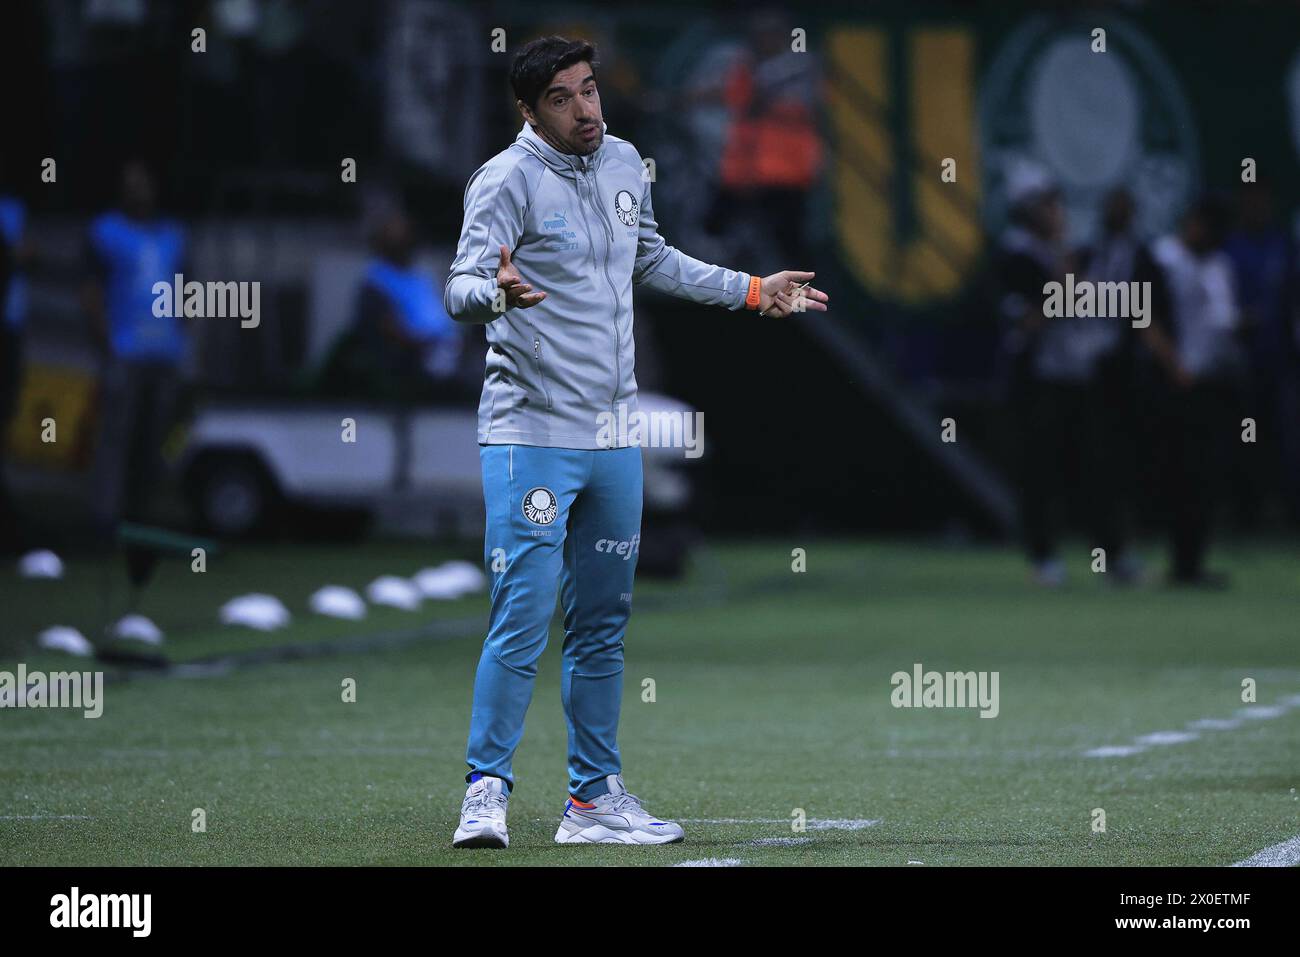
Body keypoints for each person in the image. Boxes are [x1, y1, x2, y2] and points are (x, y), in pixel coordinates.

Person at [443, 36, 827, 848]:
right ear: (529, 110)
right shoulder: (505, 180)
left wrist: (751, 288)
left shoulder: (623, 161)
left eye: (589, 91)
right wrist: (497, 296)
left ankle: (591, 802)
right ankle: (485, 791)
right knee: (522, 612)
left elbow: (649, 256)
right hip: (532, 433)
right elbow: (460, 286)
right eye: (563, 98)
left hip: (613, 432)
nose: (586, 109)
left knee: (603, 621)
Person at [82, 161, 189, 546]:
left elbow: (187, 291)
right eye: (130, 184)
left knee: (157, 440)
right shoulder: (105, 232)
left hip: (165, 352)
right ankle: (103, 522)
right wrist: (105, 344)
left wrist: (188, 344)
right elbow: (92, 291)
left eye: (143, 183)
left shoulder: (174, 234)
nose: (137, 191)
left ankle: (143, 518)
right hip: (125, 351)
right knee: (114, 438)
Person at [1151, 196, 1243, 586]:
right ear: (1191, 223)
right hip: (1173, 384)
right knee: (1179, 475)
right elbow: (1143, 316)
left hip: (1213, 385)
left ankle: (1193, 563)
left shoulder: (1220, 265)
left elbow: (1224, 321)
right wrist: (1174, 364)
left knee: (1206, 477)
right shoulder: (1164, 259)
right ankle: (1178, 561)